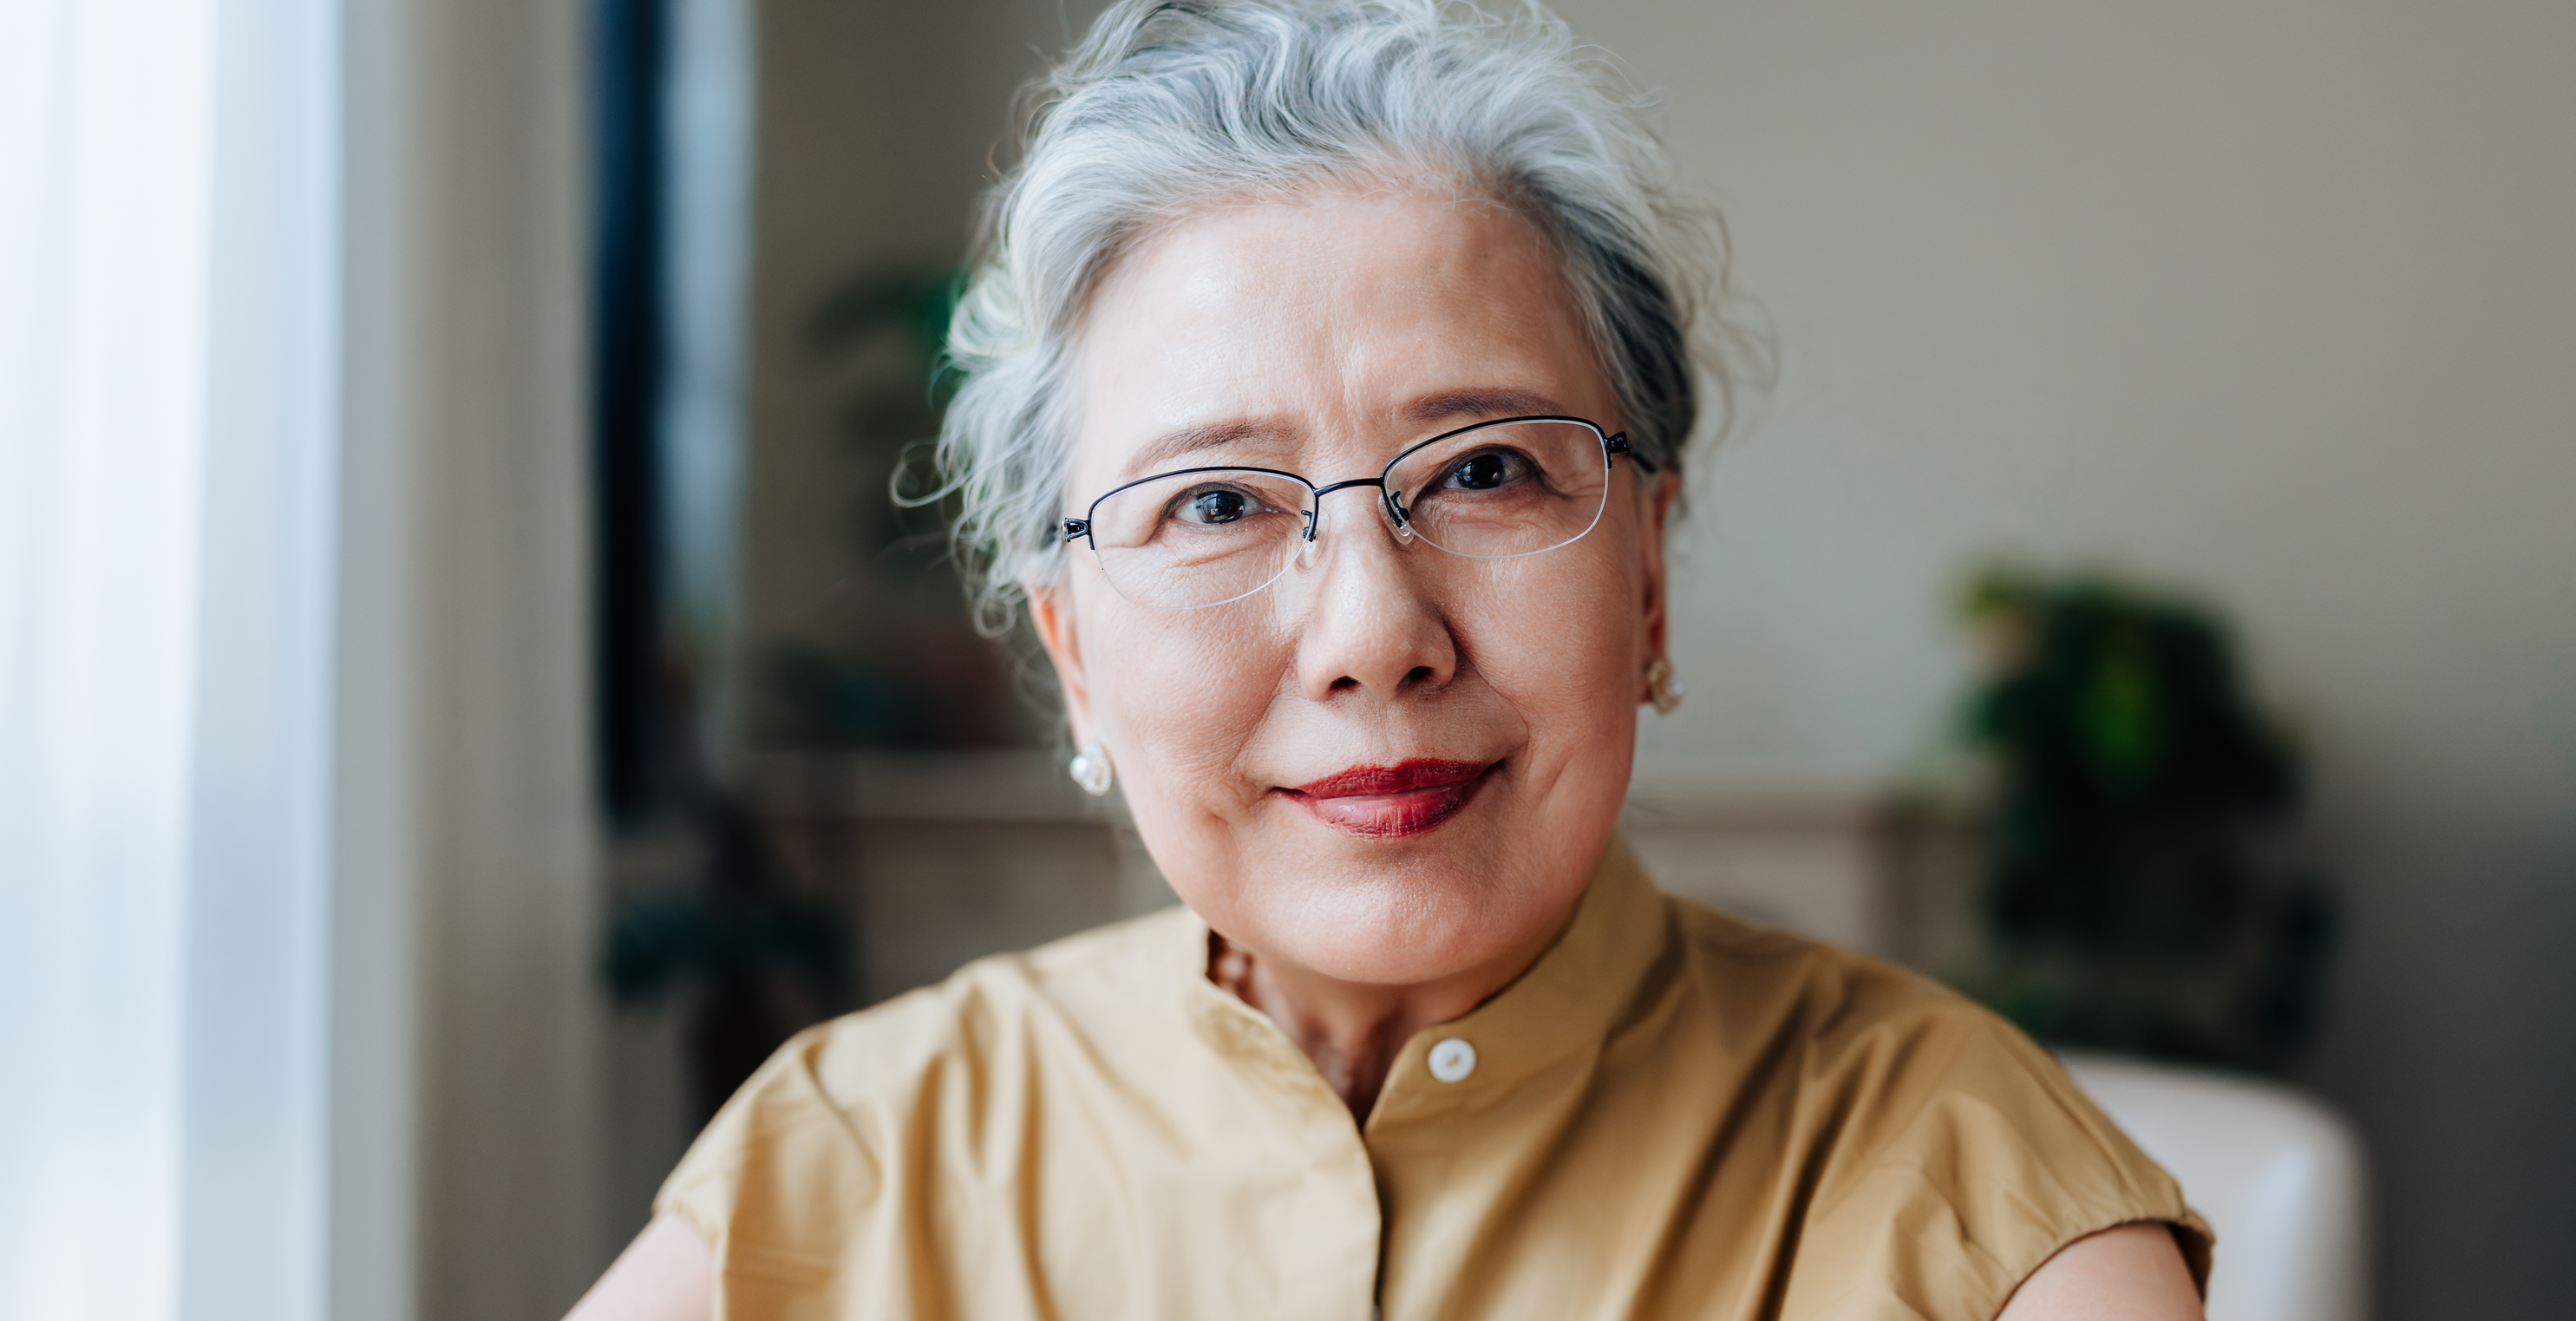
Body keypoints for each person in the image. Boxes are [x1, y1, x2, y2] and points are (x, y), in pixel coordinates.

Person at [570, 2, 2213, 1318]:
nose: (1371, 637)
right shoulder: (849, 1162)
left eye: (1485, 469)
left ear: (1645, 575)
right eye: (1213, 500)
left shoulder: (1976, 1212)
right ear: (1072, 656)